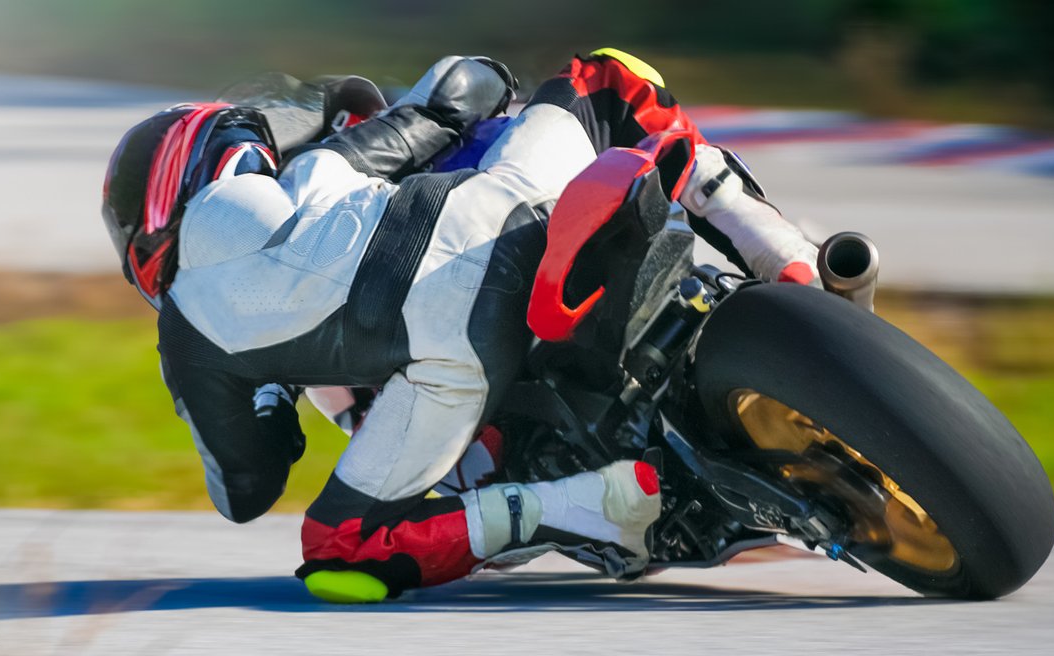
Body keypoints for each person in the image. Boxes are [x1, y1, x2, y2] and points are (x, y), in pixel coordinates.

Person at [101, 49, 818, 603]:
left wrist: (265, 396)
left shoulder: (193, 333)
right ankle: (794, 260)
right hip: (505, 218)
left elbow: (246, 489)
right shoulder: (325, 169)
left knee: (339, 547)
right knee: (603, 77)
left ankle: (587, 507)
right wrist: (454, 95)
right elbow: (460, 89)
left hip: (454, 361)